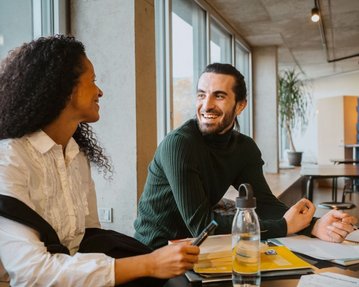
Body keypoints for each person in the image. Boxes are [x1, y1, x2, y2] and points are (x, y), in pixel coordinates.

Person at [0, 35, 199, 287]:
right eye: (92, 81)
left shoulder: (75, 154)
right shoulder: (9, 160)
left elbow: (87, 241)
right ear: (65, 89)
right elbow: (32, 273)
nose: (100, 91)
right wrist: (149, 264)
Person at [134, 63, 358, 249]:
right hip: (155, 251)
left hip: (198, 247)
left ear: (240, 105)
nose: (206, 105)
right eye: (201, 95)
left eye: (219, 96)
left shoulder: (244, 148)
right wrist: (284, 226)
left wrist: (316, 225)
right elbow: (201, 225)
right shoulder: (180, 144)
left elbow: (265, 203)